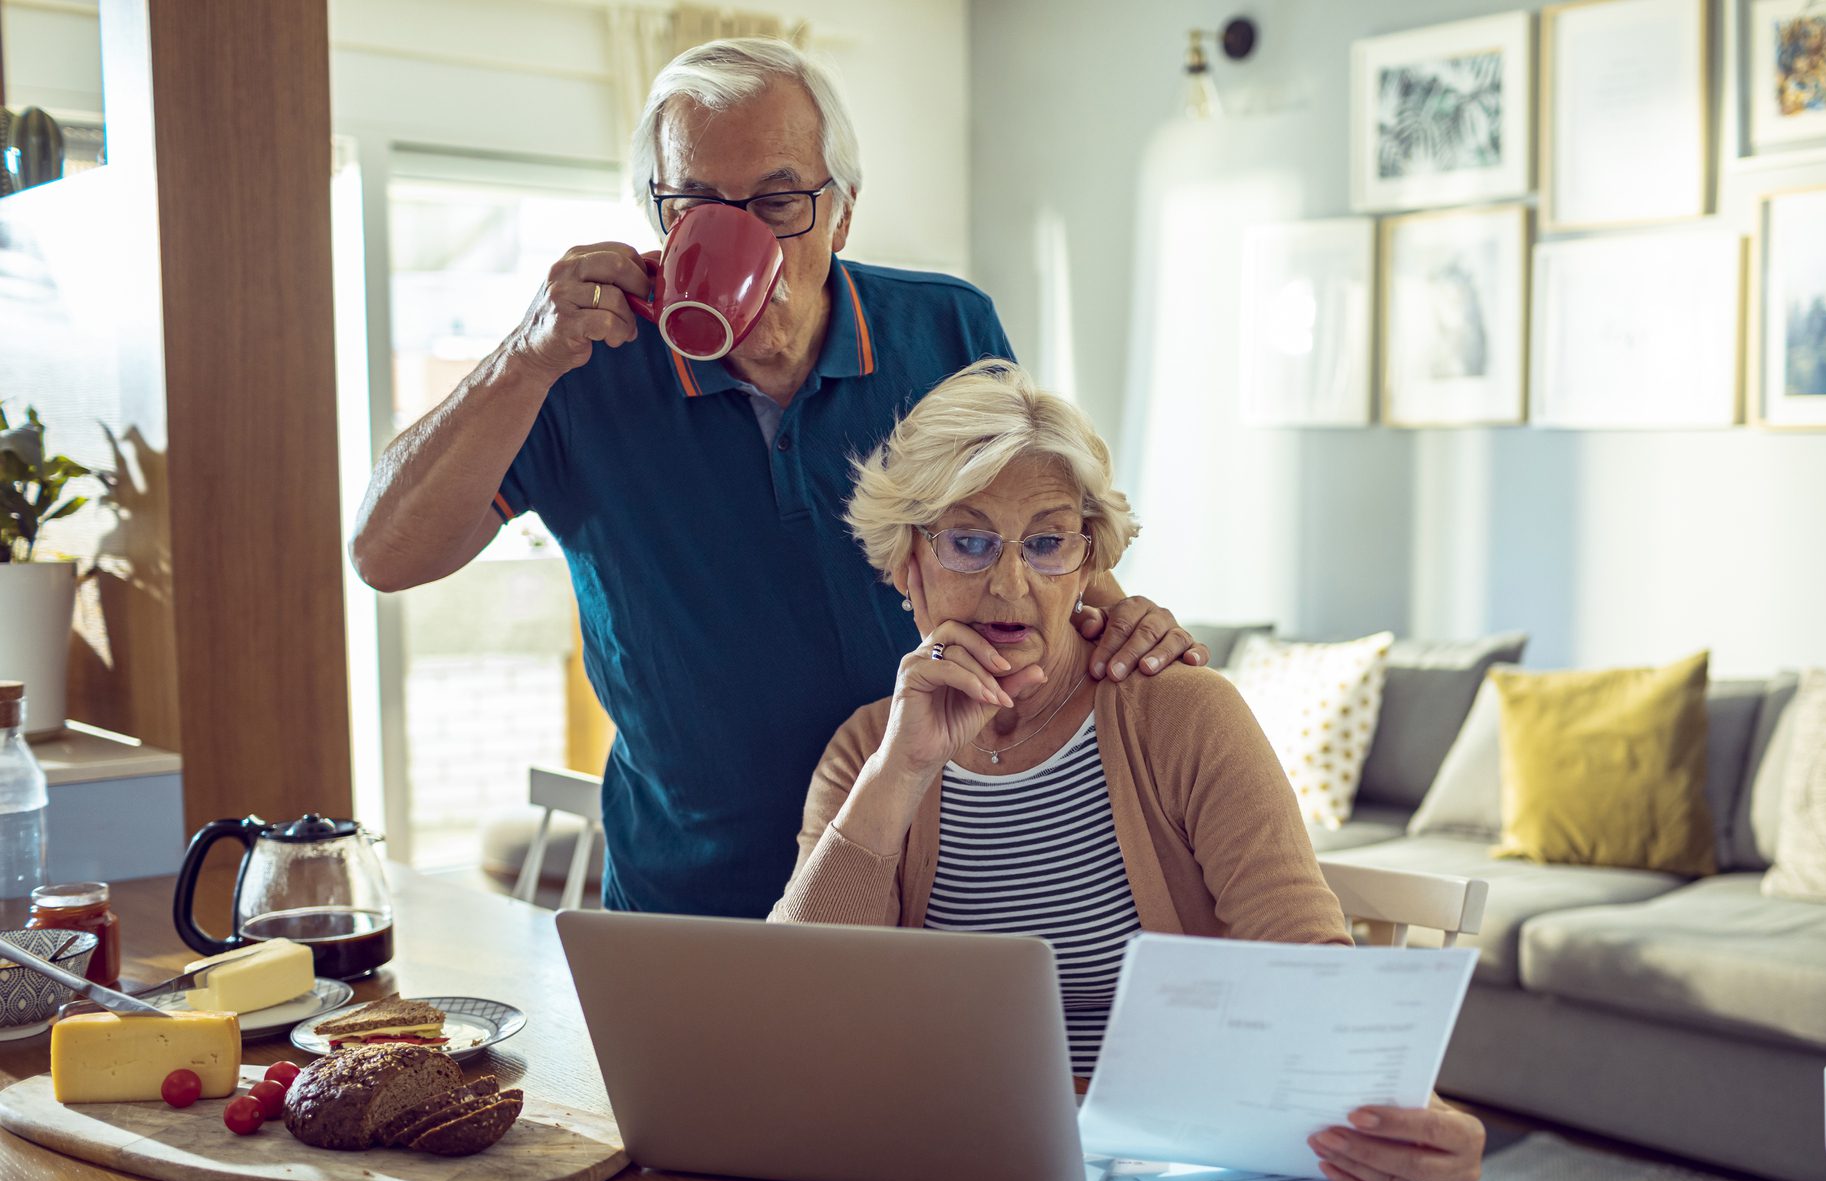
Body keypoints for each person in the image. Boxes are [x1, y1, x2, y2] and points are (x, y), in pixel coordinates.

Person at [348, 39, 1203, 917]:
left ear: (842, 213)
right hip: (692, 894)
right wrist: (519, 362)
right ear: (658, 214)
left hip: (937, 869)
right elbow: (384, 555)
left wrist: (1113, 612)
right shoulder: (578, 366)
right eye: (696, 203)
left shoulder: (945, 327)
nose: (742, 233)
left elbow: (1030, 533)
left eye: (778, 199)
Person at [772, 361, 1486, 1181]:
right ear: (905, 565)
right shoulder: (866, 752)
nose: (1010, 586)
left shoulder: (1180, 714)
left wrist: (1414, 1130)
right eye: (968, 540)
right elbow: (798, 1015)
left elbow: (1302, 965)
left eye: (1046, 543)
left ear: (1087, 564)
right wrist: (902, 769)